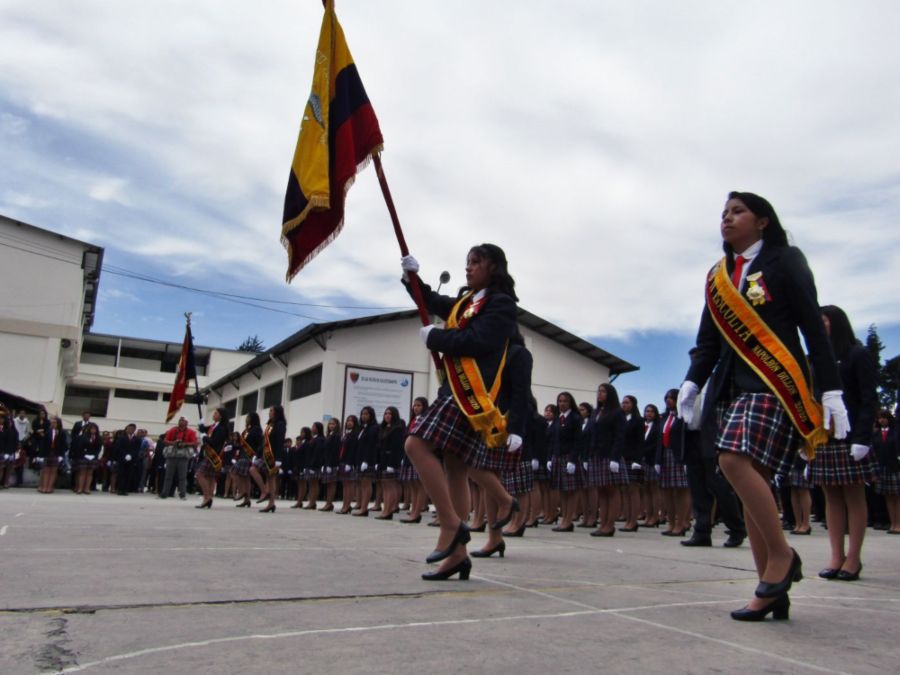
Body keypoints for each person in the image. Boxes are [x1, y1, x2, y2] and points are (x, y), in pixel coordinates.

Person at [680, 191, 847, 621]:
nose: (727, 219)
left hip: (775, 383)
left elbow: (813, 325)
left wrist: (830, 389)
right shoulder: (718, 276)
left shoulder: (785, 260)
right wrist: (692, 382)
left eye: (738, 212)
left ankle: (782, 558)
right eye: (723, 213)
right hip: (731, 388)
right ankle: (771, 589)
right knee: (751, 482)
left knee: (733, 460)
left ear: (763, 221)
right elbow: (709, 341)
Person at [401, 243, 519, 581]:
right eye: (467, 262)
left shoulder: (501, 305)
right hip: (453, 390)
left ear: (493, 267)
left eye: (475, 262)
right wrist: (413, 278)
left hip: (471, 396)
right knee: (455, 467)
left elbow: (478, 341)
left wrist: (436, 337)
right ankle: (457, 555)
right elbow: (432, 303)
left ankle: (452, 525)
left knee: (415, 444)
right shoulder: (468, 302)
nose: (468, 268)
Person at [810, 305, 878, 581]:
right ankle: (836, 555)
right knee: (831, 496)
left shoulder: (856, 354)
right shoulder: (817, 358)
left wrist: (862, 438)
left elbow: (867, 399)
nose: (819, 325)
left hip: (850, 436)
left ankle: (854, 558)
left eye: (823, 321)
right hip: (825, 437)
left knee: (854, 496)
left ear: (836, 323)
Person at [678, 384, 746, 548]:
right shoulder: (688, 386)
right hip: (691, 438)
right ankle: (701, 532)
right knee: (698, 489)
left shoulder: (717, 384)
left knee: (719, 486)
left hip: (712, 440)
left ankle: (737, 528)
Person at [586, 383, 625, 537]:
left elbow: (619, 436)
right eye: (598, 391)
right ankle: (602, 523)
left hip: (609, 455)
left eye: (603, 391)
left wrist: (615, 458)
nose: (600, 394)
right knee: (601, 491)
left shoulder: (617, 412)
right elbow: (591, 435)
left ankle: (610, 525)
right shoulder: (596, 412)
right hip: (596, 455)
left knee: (612, 491)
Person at [657, 389, 691, 537]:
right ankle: (671, 523)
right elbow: (659, 439)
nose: (668, 400)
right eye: (667, 398)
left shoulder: (684, 416)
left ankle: (681, 523)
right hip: (665, 455)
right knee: (666, 491)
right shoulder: (664, 417)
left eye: (672, 398)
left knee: (681, 490)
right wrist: (657, 460)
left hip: (678, 455)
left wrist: (685, 459)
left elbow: (686, 438)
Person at [548, 391, 581, 532]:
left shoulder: (575, 418)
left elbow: (578, 440)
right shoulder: (557, 418)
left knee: (570, 491)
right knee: (561, 490)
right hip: (557, 456)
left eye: (565, 401)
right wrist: (550, 457)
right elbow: (552, 439)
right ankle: (564, 519)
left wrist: (573, 460)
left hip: (569, 457)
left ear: (570, 403)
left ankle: (568, 520)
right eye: (560, 401)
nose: (562, 403)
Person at [619, 394, 644, 532]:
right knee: (624, 490)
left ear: (633, 404)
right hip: (621, 457)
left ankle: (633, 521)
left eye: (627, 402)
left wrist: (637, 460)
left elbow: (640, 441)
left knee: (633, 490)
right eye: (623, 403)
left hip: (632, 458)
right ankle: (627, 518)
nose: (624, 405)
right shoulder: (620, 420)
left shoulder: (638, 420)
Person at [400, 400, 428, 523]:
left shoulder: (425, 419)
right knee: (412, 484)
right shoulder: (412, 420)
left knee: (419, 485)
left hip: (419, 455)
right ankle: (413, 510)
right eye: (414, 405)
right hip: (409, 457)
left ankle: (417, 512)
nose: (416, 408)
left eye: (419, 405)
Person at [375, 407, 405, 520]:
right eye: (386, 413)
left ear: (394, 415)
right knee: (384, 485)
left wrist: (392, 464)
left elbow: (396, 448)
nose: (387, 415)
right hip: (383, 460)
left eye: (390, 414)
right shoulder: (383, 428)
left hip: (391, 461)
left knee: (390, 485)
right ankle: (385, 509)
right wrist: (378, 461)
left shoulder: (397, 429)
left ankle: (388, 510)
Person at [195, 408, 229, 508]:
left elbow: (214, 442)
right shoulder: (214, 426)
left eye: (216, 413)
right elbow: (203, 429)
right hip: (209, 454)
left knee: (200, 474)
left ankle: (207, 497)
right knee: (210, 477)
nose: (213, 415)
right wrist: (201, 424)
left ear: (221, 416)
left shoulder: (222, 428)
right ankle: (208, 499)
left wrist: (204, 437)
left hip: (214, 455)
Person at [873, 410, 900, 534]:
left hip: (895, 467)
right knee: (888, 496)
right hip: (882, 468)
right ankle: (892, 523)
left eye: (884, 418)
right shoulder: (876, 434)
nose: (881, 420)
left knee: (897, 496)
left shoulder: (896, 432)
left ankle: (898, 524)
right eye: (879, 418)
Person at [160, 416, 198, 501]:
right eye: (180, 420)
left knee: (182, 477)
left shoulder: (191, 432)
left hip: (183, 457)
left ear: (186, 423)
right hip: (171, 456)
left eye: (183, 420)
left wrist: (185, 444)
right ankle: (164, 493)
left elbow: (195, 443)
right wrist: (173, 443)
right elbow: (165, 441)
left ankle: (182, 494)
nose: (181, 422)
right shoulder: (173, 430)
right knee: (168, 476)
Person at [257, 406, 286, 513]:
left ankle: (270, 502)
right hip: (265, 454)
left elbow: (279, 442)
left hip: (273, 455)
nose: (269, 412)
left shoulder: (280, 424)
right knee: (269, 478)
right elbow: (264, 440)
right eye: (269, 410)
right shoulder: (270, 425)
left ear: (277, 412)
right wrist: (258, 453)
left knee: (271, 478)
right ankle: (268, 497)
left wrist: (279, 459)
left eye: (271, 410)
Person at [640, 404, 662, 527]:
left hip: (652, 459)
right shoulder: (643, 426)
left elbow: (657, 444)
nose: (648, 414)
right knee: (645, 489)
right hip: (642, 460)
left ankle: (655, 516)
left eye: (651, 411)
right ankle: (648, 515)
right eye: (647, 411)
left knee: (654, 488)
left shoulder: (657, 426)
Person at [353, 407, 378, 516]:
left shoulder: (373, 428)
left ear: (371, 415)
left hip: (367, 460)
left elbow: (371, 446)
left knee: (366, 484)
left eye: (366, 414)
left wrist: (366, 460)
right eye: (362, 414)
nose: (364, 416)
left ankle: (364, 508)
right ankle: (361, 506)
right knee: (362, 484)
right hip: (360, 460)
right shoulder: (363, 428)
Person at [338, 416, 359, 514]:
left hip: (349, 462)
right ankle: (344, 505)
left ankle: (347, 505)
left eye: (351, 421)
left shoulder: (355, 434)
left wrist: (350, 463)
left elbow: (353, 449)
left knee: (349, 485)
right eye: (347, 421)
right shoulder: (346, 434)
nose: (349, 423)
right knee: (345, 485)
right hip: (343, 461)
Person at [319, 417, 341, 512]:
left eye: (333, 424)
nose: (331, 425)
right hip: (327, 463)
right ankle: (328, 503)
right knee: (328, 484)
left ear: (337, 425)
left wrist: (330, 464)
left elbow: (334, 451)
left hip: (332, 464)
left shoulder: (336, 436)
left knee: (332, 484)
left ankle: (329, 503)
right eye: (330, 424)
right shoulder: (329, 435)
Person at [113, 423, 141, 496]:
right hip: (122, 459)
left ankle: (125, 489)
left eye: (132, 429)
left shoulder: (137, 439)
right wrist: (125, 455)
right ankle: (120, 489)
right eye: (129, 429)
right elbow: (118, 448)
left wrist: (131, 455)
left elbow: (137, 449)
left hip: (131, 459)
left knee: (128, 474)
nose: (130, 430)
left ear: (134, 430)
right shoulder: (121, 438)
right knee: (121, 474)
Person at [0, 405, 19, 489]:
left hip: (11, 453)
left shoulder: (15, 432)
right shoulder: (5, 430)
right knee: (1, 468)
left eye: (12, 422)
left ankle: (6, 482)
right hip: (4, 452)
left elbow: (16, 443)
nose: (10, 423)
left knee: (8, 469)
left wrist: (14, 452)